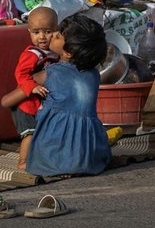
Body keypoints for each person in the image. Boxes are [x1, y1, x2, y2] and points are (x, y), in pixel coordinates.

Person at [25, 14, 111, 177]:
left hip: (55, 157)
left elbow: (24, 86)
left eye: (56, 36)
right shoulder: (94, 75)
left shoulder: (52, 72)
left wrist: (5, 100)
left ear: (69, 53)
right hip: (91, 156)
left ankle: (25, 159)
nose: (50, 37)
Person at [0, 6, 59, 171]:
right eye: (36, 32)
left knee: (43, 132)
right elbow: (20, 74)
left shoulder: (54, 53)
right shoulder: (33, 54)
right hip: (25, 105)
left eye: (47, 31)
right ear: (29, 32)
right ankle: (23, 161)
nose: (42, 37)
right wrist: (32, 87)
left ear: (56, 31)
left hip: (39, 104)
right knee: (30, 134)